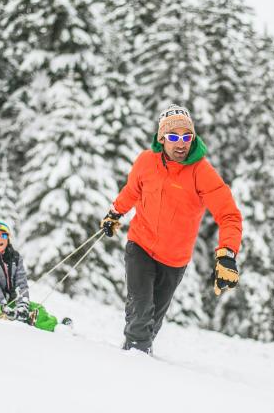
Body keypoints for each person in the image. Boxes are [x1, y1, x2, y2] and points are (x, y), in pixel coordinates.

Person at [100, 104, 243, 354]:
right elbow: (132, 190)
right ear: (161, 138)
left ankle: (138, 354)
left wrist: (227, 254)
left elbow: (228, 214)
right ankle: (132, 361)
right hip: (140, 245)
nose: (181, 143)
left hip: (174, 259)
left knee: (152, 322)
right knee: (140, 312)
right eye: (174, 137)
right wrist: (115, 212)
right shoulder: (146, 161)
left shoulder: (201, 171)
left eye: (187, 137)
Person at [0, 219, 60, 332]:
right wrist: (2, 303)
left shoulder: (15, 257)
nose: (0, 238)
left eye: (4, 235)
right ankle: (2, 319)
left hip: (10, 300)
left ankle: (55, 326)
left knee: (37, 308)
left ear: (8, 239)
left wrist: (23, 303)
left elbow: (21, 281)